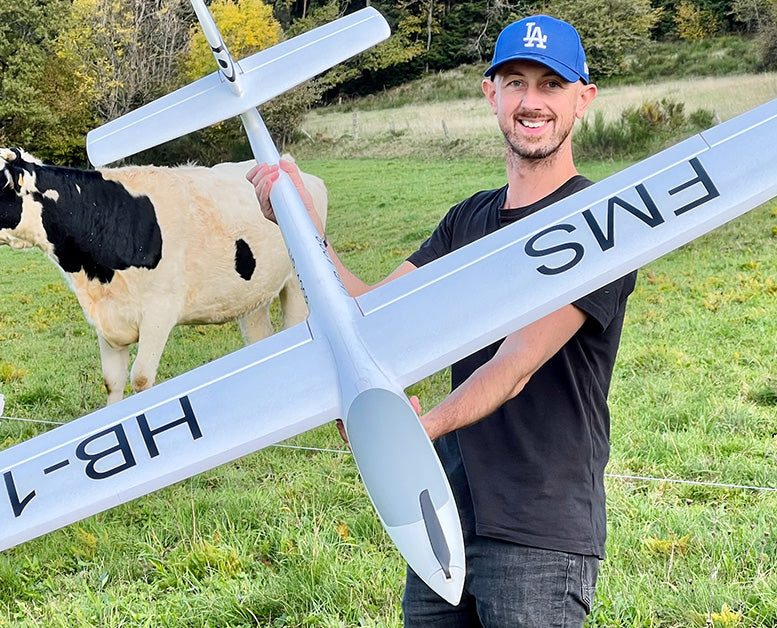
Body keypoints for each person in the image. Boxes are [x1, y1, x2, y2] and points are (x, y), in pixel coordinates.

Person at [248, 14, 635, 627]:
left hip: (539, 533)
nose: (531, 102)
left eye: (551, 85)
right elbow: (373, 317)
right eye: (515, 83)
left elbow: (515, 364)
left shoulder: (599, 223)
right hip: (445, 521)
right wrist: (304, 230)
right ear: (491, 94)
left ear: (582, 99)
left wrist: (416, 429)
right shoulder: (466, 221)